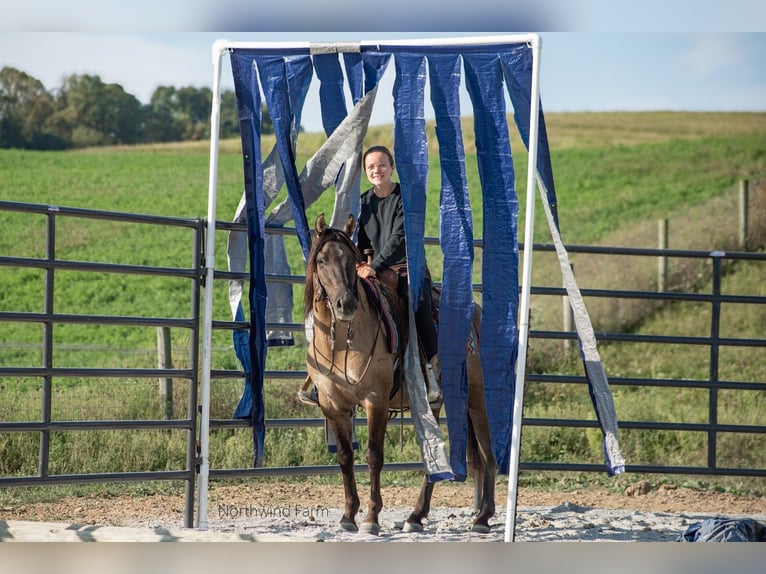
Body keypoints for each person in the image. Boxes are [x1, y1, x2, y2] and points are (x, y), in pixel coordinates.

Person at [298, 145, 441, 406]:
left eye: (381, 165)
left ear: (391, 167)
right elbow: (362, 239)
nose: (377, 170)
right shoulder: (364, 201)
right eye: (371, 167)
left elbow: (400, 237)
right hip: (372, 268)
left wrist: (375, 264)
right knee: (339, 300)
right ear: (366, 172)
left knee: (419, 306)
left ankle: (431, 374)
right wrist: (360, 264)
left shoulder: (404, 198)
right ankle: (319, 375)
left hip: (406, 267)